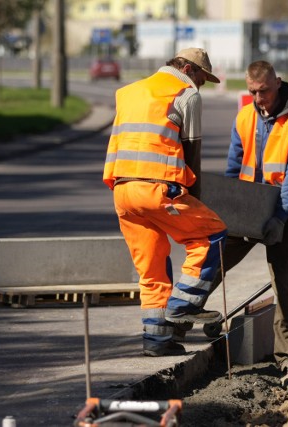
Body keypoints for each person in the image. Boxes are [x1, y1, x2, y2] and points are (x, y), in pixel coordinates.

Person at [103, 47, 228, 357]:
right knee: (212, 235)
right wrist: (195, 198)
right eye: (201, 77)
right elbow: (192, 153)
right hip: (158, 188)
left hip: (123, 190)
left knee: (152, 266)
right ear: (188, 69)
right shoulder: (186, 95)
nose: (201, 85)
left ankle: (157, 340)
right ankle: (183, 305)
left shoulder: (130, 91)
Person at [213, 60, 288, 390]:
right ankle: (178, 315)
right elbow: (234, 167)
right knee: (208, 256)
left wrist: (280, 218)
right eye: (252, 92)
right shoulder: (245, 116)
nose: (259, 98)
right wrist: (227, 211)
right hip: (248, 207)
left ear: (278, 84)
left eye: (263, 91)